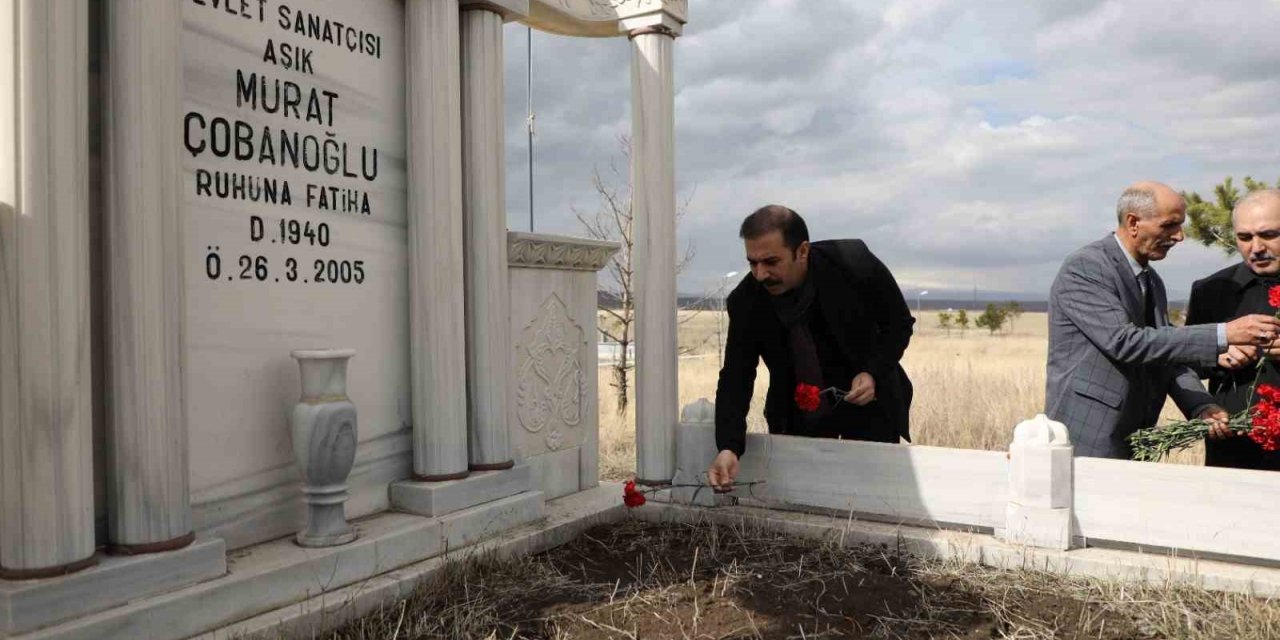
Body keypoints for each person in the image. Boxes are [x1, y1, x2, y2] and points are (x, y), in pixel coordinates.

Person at [1045, 181, 1280, 459]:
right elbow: (1124, 342)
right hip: (1091, 432)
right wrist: (1223, 335)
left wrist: (1200, 405)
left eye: (1268, 234)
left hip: (1135, 433)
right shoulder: (1087, 267)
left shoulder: (1152, 281)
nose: (1180, 236)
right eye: (1170, 225)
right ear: (1133, 223)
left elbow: (1167, 357)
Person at [706, 205, 914, 491]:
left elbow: (899, 324)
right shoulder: (745, 301)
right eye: (752, 263)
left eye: (770, 262)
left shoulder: (853, 263)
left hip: (871, 412)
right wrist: (728, 446)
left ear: (802, 251)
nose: (760, 274)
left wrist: (873, 373)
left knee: (872, 498)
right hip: (797, 419)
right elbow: (736, 377)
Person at [1186, 189, 1280, 470]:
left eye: (1269, 234)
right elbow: (1185, 364)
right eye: (1245, 237)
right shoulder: (1211, 290)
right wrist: (1216, 356)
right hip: (1234, 447)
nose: (1257, 247)